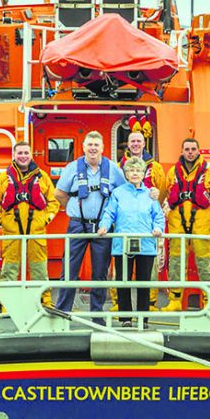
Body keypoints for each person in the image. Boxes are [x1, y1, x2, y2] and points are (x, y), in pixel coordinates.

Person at [54, 131, 126, 323]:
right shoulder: (72, 168)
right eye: (90, 145)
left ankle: (97, 315)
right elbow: (59, 193)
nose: (93, 148)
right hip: (77, 224)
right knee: (69, 269)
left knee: (100, 272)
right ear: (84, 147)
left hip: (102, 227)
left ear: (102, 148)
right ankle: (63, 312)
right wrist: (73, 207)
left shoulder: (112, 168)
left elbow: (123, 192)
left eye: (96, 145)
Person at [98, 156, 165, 327]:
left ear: (143, 173)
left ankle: (143, 319)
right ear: (126, 173)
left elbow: (158, 216)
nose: (135, 174)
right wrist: (104, 226)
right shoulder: (118, 193)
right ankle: (126, 318)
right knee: (123, 280)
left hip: (146, 245)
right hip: (123, 244)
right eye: (131, 170)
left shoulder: (150, 194)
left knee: (144, 282)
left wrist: (158, 229)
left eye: (138, 171)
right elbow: (109, 213)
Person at [0, 141, 59, 307]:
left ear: (31, 155)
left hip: (36, 232)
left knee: (39, 269)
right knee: (10, 269)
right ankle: (8, 304)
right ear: (14, 155)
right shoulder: (3, 178)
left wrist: (46, 218)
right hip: (12, 232)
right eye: (20, 153)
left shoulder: (42, 177)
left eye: (26, 153)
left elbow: (54, 201)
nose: (23, 156)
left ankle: (45, 300)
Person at [162, 138, 210, 311]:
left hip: (201, 221)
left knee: (203, 262)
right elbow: (167, 191)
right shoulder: (173, 171)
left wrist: (206, 213)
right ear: (182, 151)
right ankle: (175, 300)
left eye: (193, 149)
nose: (190, 152)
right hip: (177, 221)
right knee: (176, 262)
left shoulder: (209, 171)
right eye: (187, 149)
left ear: (198, 151)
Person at [112, 130, 166, 310]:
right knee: (121, 275)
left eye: (138, 141)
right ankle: (120, 308)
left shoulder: (155, 168)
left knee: (146, 276)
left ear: (144, 143)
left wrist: (154, 197)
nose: (135, 144)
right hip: (123, 232)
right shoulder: (117, 167)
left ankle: (148, 305)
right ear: (128, 144)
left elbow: (162, 192)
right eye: (132, 141)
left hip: (146, 233)